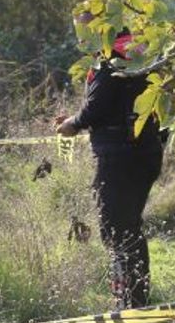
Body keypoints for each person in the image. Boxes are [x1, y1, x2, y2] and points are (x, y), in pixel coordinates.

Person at [55, 30, 165, 308]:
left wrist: (74, 123)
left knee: (116, 230)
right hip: (140, 151)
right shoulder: (138, 52)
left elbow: (98, 106)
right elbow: (111, 105)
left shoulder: (113, 58)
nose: (80, 35)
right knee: (126, 227)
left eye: (84, 27)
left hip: (121, 155)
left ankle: (131, 303)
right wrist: (77, 119)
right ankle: (131, 298)